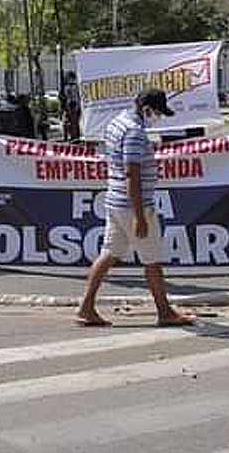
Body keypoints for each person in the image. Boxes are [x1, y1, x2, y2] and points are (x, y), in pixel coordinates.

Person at [76, 88, 196, 327]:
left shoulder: (117, 122)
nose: (158, 118)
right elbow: (132, 174)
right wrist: (139, 216)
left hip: (115, 200)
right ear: (146, 109)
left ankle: (86, 307)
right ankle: (165, 312)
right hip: (133, 205)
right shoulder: (134, 132)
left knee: (109, 253)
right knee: (152, 260)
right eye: (157, 113)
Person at [62, 71, 81, 141]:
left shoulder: (74, 86)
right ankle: (71, 135)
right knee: (67, 122)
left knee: (74, 122)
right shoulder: (68, 86)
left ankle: (74, 136)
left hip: (73, 105)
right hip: (69, 105)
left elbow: (76, 97)